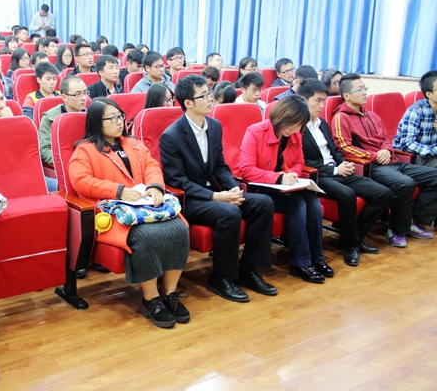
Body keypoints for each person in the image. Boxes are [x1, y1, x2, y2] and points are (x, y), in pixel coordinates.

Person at [69, 98, 190, 328]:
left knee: (180, 229)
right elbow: (81, 181)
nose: (119, 122)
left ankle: (170, 292)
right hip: (116, 213)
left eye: (120, 116)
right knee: (145, 236)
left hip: (146, 207)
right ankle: (151, 298)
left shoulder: (134, 144)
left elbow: (152, 166)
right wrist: (118, 191)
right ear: (97, 122)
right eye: (112, 118)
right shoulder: (85, 150)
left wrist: (155, 186)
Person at [160, 75, 277, 301]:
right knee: (229, 212)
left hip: (216, 192)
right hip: (190, 199)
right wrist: (215, 196)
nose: (210, 98)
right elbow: (177, 180)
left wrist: (234, 190)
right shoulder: (171, 136)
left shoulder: (214, 126)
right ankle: (221, 278)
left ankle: (248, 269)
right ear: (188, 103)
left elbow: (220, 166)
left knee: (263, 203)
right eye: (204, 95)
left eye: (209, 93)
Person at [332, 73, 437, 247]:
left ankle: (414, 220)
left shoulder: (372, 115)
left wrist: (387, 150)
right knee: (405, 183)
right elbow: (344, 147)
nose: (365, 92)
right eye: (359, 89)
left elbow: (385, 139)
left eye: (365, 88)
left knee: (435, 176)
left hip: (392, 161)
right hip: (372, 166)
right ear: (347, 96)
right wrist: (375, 156)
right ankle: (396, 230)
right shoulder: (341, 117)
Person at [237, 95, 332, 284]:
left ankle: (317, 257)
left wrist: (292, 174)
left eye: (298, 125)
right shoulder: (255, 132)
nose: (294, 129)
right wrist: (279, 177)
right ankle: (301, 263)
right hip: (261, 189)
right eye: (291, 124)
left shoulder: (295, 135)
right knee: (297, 205)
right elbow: (246, 169)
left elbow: (300, 162)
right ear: (281, 117)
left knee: (313, 202)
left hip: (286, 187)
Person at [298, 79, 392, 265]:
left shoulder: (322, 123)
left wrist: (344, 163)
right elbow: (302, 161)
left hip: (339, 170)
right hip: (319, 175)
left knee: (384, 193)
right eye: (317, 101)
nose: (322, 106)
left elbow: (335, 151)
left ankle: (353, 238)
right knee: (347, 194)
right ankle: (352, 246)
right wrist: (334, 169)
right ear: (303, 100)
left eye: (324, 101)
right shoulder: (297, 127)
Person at [38, 75, 87, 165]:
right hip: (66, 163)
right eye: (77, 94)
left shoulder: (91, 115)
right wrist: (67, 161)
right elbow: (44, 150)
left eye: (85, 93)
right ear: (64, 97)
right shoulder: (50, 117)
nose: (83, 98)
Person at [393, 70, 437, 168]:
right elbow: (407, 144)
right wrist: (434, 150)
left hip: (432, 156)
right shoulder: (416, 111)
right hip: (413, 157)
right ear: (429, 94)